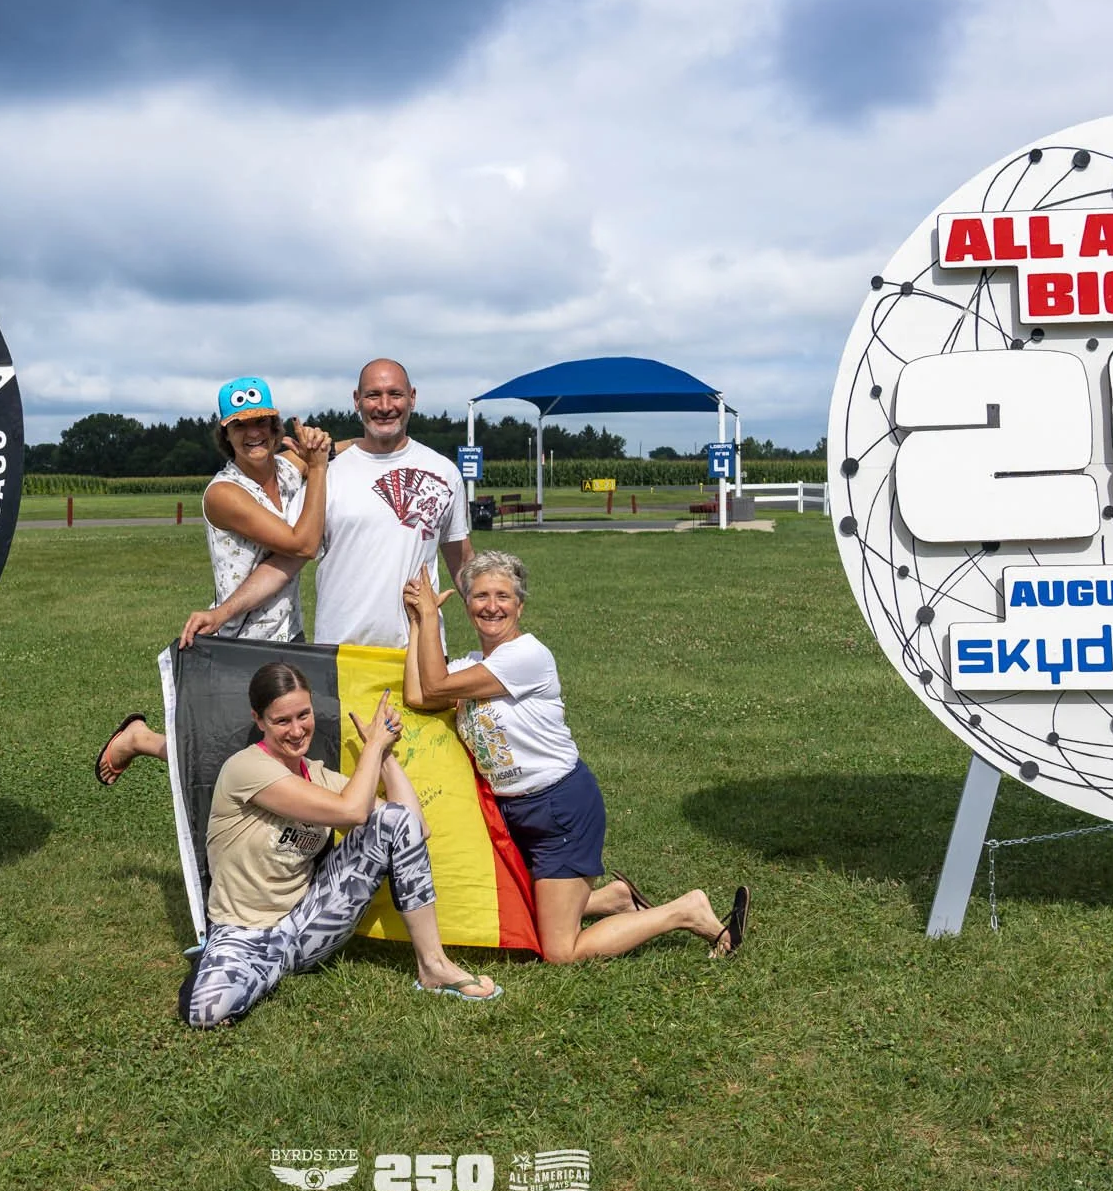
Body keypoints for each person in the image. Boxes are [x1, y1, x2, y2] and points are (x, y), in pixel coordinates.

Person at [402, 550, 747, 963]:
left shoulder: (526, 656)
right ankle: (616, 900)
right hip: (514, 811)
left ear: (520, 605)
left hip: (558, 807)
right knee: (520, 910)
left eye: (503, 596)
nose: (491, 606)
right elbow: (418, 694)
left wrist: (428, 617)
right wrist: (419, 623)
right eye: (480, 596)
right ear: (466, 605)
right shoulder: (473, 664)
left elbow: (436, 683)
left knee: (561, 951)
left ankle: (682, 910)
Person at [183, 663, 501, 1027]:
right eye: (281, 721)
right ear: (259, 720)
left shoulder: (318, 775)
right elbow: (350, 811)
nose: (297, 729)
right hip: (244, 931)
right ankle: (238, 962)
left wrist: (383, 755)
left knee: (393, 821)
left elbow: (414, 825)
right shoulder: (245, 768)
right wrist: (375, 747)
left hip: (306, 922)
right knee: (205, 1013)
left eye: (303, 715)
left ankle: (433, 966)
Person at [96, 376, 330, 783]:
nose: (253, 433)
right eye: (239, 425)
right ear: (226, 434)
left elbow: (288, 557)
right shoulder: (224, 493)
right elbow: (303, 544)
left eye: (261, 422)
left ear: (276, 428)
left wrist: (323, 447)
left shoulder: (289, 472)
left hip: (289, 635)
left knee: (278, 751)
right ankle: (140, 739)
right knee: (221, 759)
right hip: (240, 643)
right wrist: (320, 466)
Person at [183, 357, 472, 649]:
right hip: (328, 650)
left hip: (420, 650)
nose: (384, 406)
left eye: (395, 394)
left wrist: (493, 625)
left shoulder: (443, 471)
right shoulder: (319, 478)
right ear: (357, 400)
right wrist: (223, 612)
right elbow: (293, 554)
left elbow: (462, 559)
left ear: (412, 397)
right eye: (373, 395)